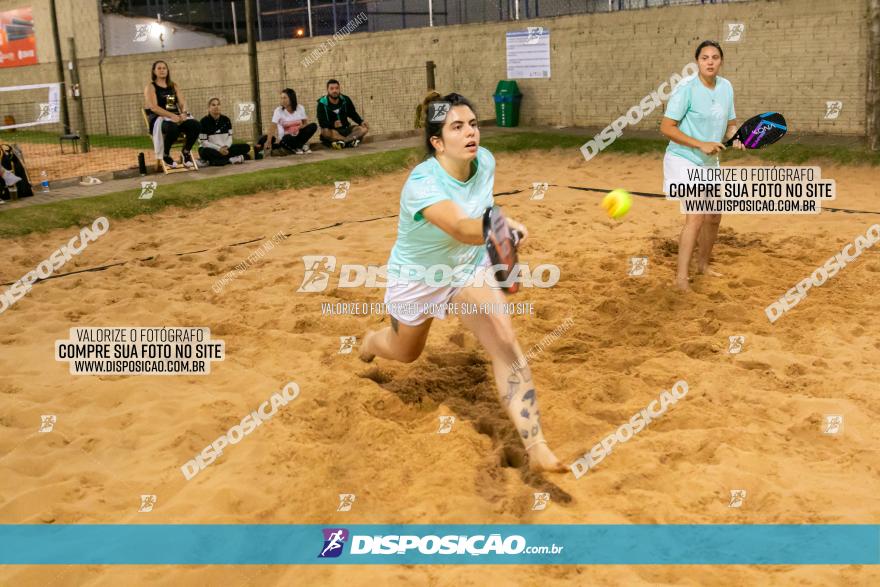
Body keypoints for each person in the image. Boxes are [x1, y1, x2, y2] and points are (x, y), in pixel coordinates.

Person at [358, 91, 566, 473]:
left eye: (473, 124)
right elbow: (458, 225)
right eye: (457, 127)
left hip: (466, 267)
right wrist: (495, 228)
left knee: (505, 338)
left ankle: (536, 445)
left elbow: (479, 212)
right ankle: (370, 341)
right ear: (437, 142)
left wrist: (497, 227)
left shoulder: (484, 161)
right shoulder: (422, 182)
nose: (471, 133)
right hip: (418, 277)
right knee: (405, 353)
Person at [660, 40, 744, 292]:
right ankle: (681, 279)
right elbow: (666, 127)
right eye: (704, 57)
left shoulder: (726, 87)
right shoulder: (686, 89)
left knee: (714, 215)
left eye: (715, 57)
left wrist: (736, 135)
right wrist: (699, 144)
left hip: (710, 161)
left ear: (721, 61)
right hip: (683, 158)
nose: (710, 61)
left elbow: (730, 123)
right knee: (696, 215)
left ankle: (703, 265)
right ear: (697, 62)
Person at [143, 60, 200, 168]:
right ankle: (166, 154)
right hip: (160, 119)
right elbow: (153, 107)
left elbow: (183, 103)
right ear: (154, 71)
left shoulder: (173, 85)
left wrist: (183, 113)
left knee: (196, 125)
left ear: (167, 70)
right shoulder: (151, 87)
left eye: (164, 68)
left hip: (176, 117)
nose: (162, 70)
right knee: (173, 128)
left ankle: (186, 152)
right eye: (159, 68)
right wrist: (171, 116)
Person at [317, 79, 369, 149]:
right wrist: (332, 124)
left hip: (346, 129)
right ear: (327, 90)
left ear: (339, 89)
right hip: (333, 131)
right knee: (325, 131)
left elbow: (352, 113)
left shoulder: (345, 99)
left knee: (364, 129)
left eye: (337, 88)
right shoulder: (322, 103)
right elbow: (321, 122)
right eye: (331, 89)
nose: (334, 91)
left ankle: (343, 142)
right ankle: (350, 142)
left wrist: (361, 121)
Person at [198, 98, 251, 166]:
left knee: (246, 147)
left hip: (225, 149)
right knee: (204, 152)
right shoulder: (203, 122)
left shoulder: (226, 120)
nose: (216, 107)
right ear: (209, 108)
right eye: (213, 105)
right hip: (212, 149)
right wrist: (219, 149)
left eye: (218, 104)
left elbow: (230, 137)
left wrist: (226, 147)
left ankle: (212, 161)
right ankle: (232, 159)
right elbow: (204, 143)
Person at [268, 88, 318, 156]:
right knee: (286, 138)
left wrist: (299, 128)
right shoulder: (278, 111)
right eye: (281, 98)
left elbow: (305, 123)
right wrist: (268, 142)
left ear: (291, 98)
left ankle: (298, 146)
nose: (282, 100)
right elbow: (272, 127)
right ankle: (301, 146)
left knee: (313, 126)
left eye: (285, 98)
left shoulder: (300, 108)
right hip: (286, 138)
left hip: (297, 135)